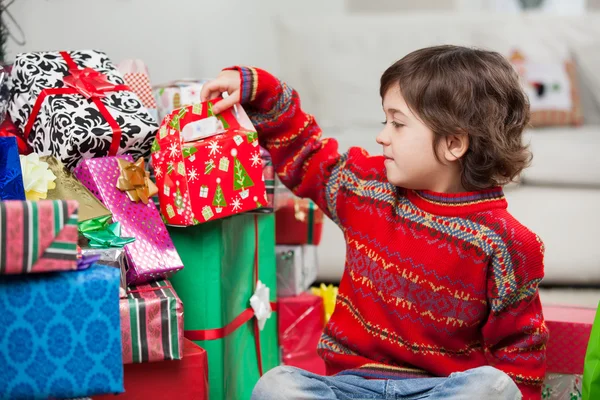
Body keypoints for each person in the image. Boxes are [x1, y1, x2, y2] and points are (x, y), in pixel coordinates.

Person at [201, 45, 547, 400]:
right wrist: (263, 91)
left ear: (454, 143)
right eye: (386, 122)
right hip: (349, 386)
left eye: (397, 124)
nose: (383, 136)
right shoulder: (368, 188)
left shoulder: (508, 243)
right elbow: (307, 155)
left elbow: (519, 347)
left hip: (438, 390)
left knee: (493, 387)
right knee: (276, 385)